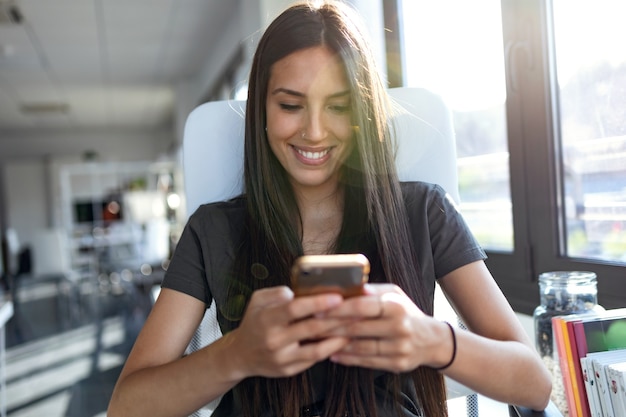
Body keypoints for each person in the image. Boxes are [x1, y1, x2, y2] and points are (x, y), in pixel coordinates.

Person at [108, 1, 552, 416]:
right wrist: (237, 353)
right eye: (290, 105)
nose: (315, 131)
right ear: (261, 108)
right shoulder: (214, 231)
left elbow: (534, 384)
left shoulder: (424, 211)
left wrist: (432, 340)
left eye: (338, 107)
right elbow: (126, 406)